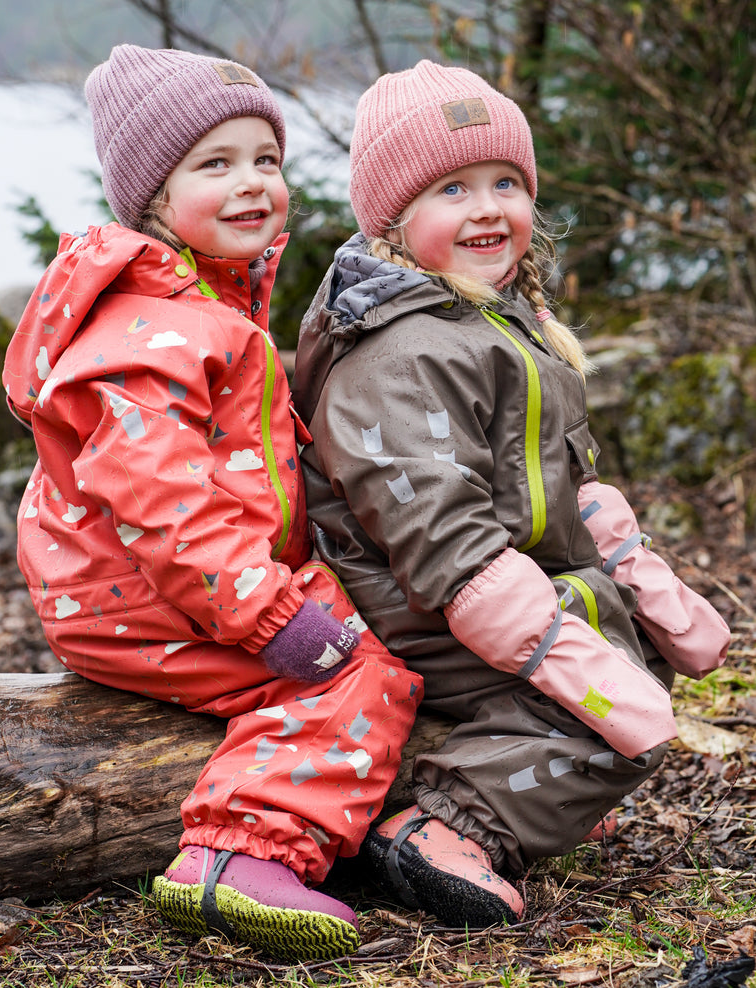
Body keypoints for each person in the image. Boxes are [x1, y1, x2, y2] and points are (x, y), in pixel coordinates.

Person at [1, 44, 423, 962]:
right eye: (215, 165)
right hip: (145, 593)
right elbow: (160, 499)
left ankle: (498, 797)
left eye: (264, 161)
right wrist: (269, 612)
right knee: (351, 672)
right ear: (152, 196)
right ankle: (238, 854)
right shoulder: (151, 327)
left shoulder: (202, 305)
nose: (251, 185)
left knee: (380, 633)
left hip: (181, 579)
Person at [292, 60, 730, 929]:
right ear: (393, 218)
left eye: (505, 182)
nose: (489, 208)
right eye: (452, 189)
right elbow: (438, 534)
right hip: (421, 604)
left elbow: (568, 476)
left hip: (497, 586)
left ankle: (541, 785)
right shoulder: (399, 351)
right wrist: (570, 657)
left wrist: (635, 571)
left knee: (629, 656)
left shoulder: (495, 318)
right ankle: (441, 826)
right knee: (613, 705)